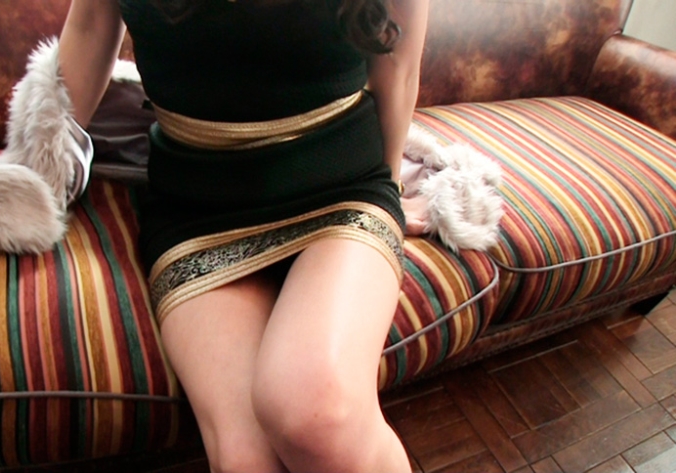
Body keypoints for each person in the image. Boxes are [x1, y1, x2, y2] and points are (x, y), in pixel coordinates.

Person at [58, 1, 429, 471]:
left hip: (342, 184)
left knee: (316, 414)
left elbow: (399, 65)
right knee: (245, 461)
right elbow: (90, 26)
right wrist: (38, 177)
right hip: (198, 204)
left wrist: (389, 189)